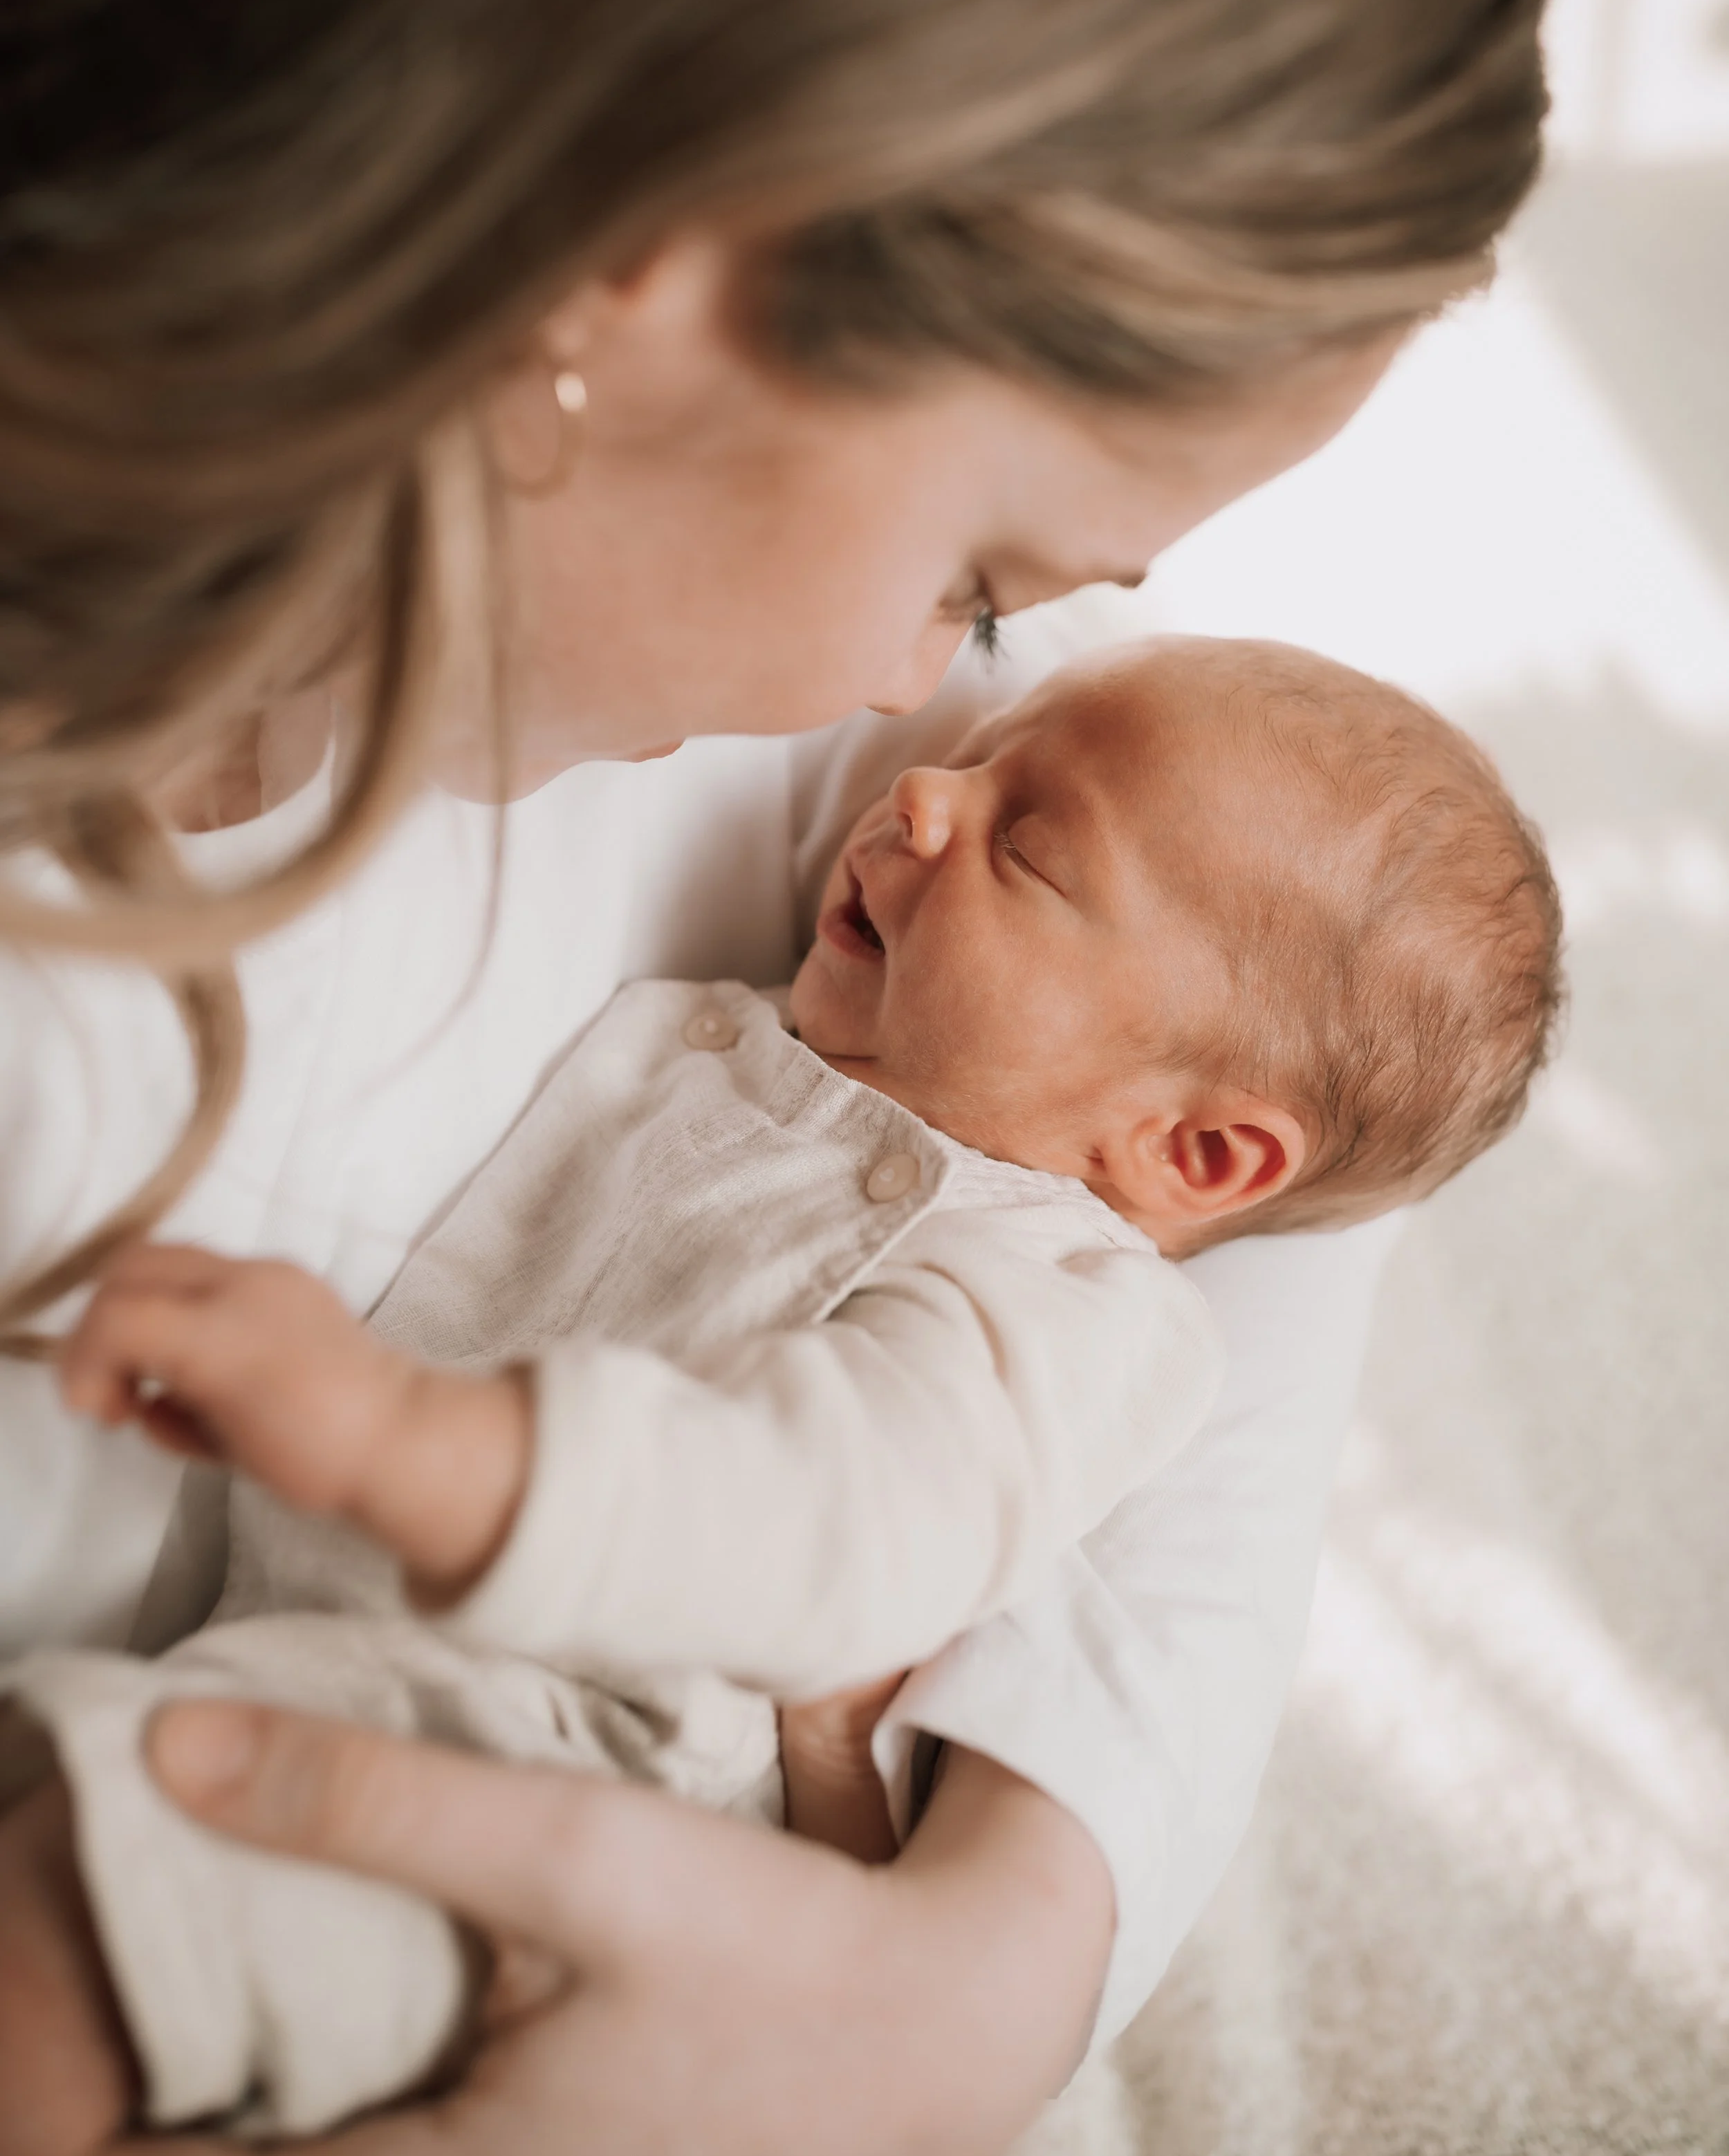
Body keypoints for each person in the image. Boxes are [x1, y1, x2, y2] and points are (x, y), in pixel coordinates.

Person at [0, 0, 1548, 2146]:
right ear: (642, 251)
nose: (940, 708)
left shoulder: (816, 756)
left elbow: (1292, 1141)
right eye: (986, 572)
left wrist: (1001, 1953)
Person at [1, 642, 1563, 2148]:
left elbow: (827, 1523)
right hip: (299, 1670)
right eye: (965, 762)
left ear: (1197, 1155)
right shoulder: (761, 1039)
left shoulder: (1067, 1315)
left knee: (53, 1958)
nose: (920, 800)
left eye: (1026, 848)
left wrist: (417, 1446)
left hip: (549, 1797)